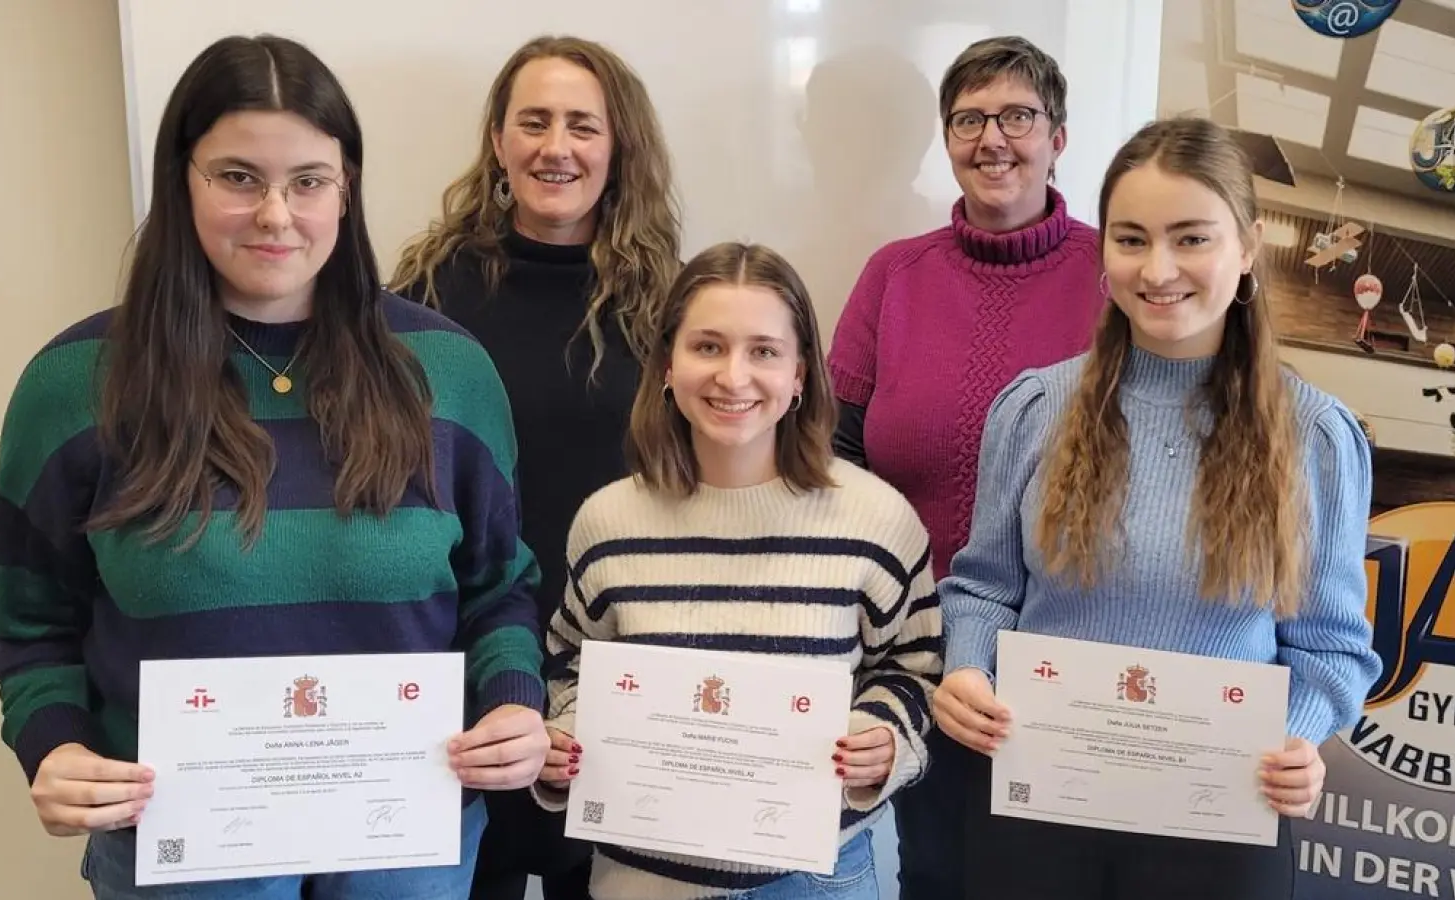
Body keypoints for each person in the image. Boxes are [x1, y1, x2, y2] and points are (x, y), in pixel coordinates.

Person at [0, 34, 549, 899]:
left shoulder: (449, 373)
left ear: (346, 187)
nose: (276, 214)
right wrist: (53, 745)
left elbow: (498, 585)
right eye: (238, 177)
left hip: (407, 856)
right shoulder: (77, 383)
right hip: (175, 862)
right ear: (183, 180)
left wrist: (514, 701)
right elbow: (32, 625)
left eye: (309, 181)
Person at [934, 116, 1383, 900]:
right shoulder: (1037, 407)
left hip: (1218, 822)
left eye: (1192, 238)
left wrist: (1298, 739)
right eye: (1132, 238)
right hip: (1038, 810)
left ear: (1247, 249)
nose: (1159, 267)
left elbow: (1333, 646)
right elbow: (982, 586)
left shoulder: (1316, 437)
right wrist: (968, 667)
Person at [531, 242, 941, 900]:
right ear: (667, 363)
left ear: (802, 372)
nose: (734, 376)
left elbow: (914, 668)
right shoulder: (607, 523)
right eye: (709, 347)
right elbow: (569, 664)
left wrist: (885, 740)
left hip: (815, 878)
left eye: (764, 351)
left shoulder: (877, 521)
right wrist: (562, 744)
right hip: (642, 879)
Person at [389, 33, 681, 900]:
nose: (558, 147)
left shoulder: (666, 298)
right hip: (465, 648)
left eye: (583, 126)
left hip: (615, 658)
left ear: (618, 144)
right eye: (535, 122)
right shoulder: (424, 291)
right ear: (498, 141)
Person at [823, 35, 1102, 898]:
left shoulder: (1117, 276)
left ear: (1059, 135)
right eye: (968, 119)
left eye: (1017, 115)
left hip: (1064, 671)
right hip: (908, 662)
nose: (992, 138)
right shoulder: (893, 278)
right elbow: (835, 457)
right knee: (933, 877)